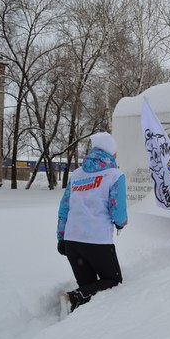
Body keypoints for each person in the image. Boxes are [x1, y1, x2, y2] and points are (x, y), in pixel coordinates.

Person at [56, 132, 128, 314]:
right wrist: (120, 223)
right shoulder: (115, 174)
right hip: (97, 242)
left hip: (72, 241)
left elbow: (64, 208)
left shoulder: (77, 174)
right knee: (113, 282)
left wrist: (61, 237)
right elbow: (118, 211)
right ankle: (72, 298)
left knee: (88, 287)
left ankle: (76, 317)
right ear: (110, 153)